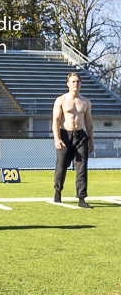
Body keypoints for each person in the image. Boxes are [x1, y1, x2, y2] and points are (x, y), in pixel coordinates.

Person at [52, 73, 94, 208]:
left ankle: (81, 198)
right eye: (73, 81)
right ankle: (58, 192)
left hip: (81, 136)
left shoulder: (85, 101)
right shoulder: (61, 100)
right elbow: (56, 120)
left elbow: (89, 123)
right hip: (65, 135)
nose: (75, 84)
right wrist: (57, 138)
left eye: (77, 82)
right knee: (61, 166)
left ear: (81, 84)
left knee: (82, 168)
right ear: (68, 84)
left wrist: (91, 140)